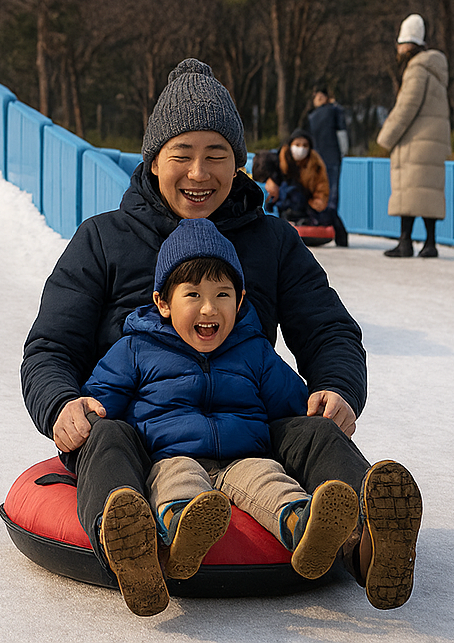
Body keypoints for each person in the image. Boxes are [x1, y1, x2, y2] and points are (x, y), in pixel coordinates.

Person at [22, 57, 421, 616]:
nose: (199, 173)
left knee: (314, 433)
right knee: (107, 439)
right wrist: (62, 404)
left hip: (245, 422)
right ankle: (134, 544)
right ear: (153, 160)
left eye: (217, 155)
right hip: (141, 430)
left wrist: (336, 388)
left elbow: (328, 328)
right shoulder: (104, 240)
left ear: (238, 164)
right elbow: (50, 345)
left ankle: (368, 541)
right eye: (181, 155)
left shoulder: (272, 242)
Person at [82, 219, 361, 616]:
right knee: (179, 479)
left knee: (270, 480)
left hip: (243, 458)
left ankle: (307, 528)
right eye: (193, 294)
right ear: (163, 302)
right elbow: (100, 402)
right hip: (169, 455)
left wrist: (322, 403)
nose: (209, 308)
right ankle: (182, 530)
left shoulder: (255, 351)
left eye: (222, 294)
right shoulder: (136, 349)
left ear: (241, 299)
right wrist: (84, 411)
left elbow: (294, 405)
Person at [377, 15, 450, 259]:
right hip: (432, 142)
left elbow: (407, 107)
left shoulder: (417, 69)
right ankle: (430, 242)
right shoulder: (435, 69)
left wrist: (386, 137)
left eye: (399, 45)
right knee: (427, 192)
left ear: (409, 45)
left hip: (415, 141)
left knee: (408, 192)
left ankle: (405, 241)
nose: (397, 50)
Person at [264, 129, 349, 247]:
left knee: (331, 214)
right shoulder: (280, 159)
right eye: (297, 145)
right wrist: (271, 182)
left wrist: (315, 206)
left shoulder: (316, 164)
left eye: (305, 145)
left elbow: (322, 189)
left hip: (307, 204)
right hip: (286, 203)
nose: (301, 149)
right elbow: (266, 172)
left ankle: (341, 241)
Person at [304, 89, 349, 209]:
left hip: (316, 158)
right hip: (332, 157)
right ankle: (330, 219)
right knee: (332, 192)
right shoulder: (335, 110)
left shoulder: (311, 116)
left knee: (318, 190)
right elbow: (341, 132)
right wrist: (343, 151)